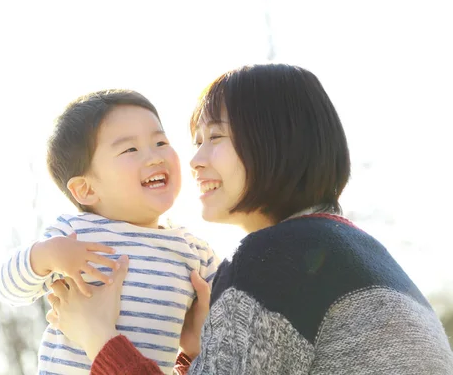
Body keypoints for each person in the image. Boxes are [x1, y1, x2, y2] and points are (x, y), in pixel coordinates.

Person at [45, 64, 453, 374]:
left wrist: (98, 338)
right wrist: (197, 349)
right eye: (195, 142)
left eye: (215, 138)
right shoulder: (357, 252)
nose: (195, 160)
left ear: (274, 140)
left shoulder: (275, 258)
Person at [0, 89, 219, 374]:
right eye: (130, 149)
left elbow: (230, 317)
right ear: (86, 189)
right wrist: (45, 256)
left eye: (160, 142)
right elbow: (6, 287)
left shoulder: (191, 250)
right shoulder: (75, 234)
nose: (154, 157)